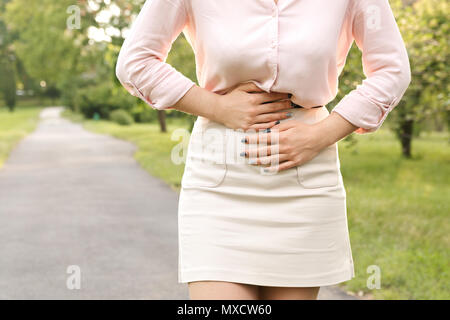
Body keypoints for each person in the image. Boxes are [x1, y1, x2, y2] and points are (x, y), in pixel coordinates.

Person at [116, 0, 411, 300]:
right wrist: (216, 105)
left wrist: (321, 135)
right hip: (220, 183)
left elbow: (392, 70)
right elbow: (135, 62)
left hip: (304, 179)